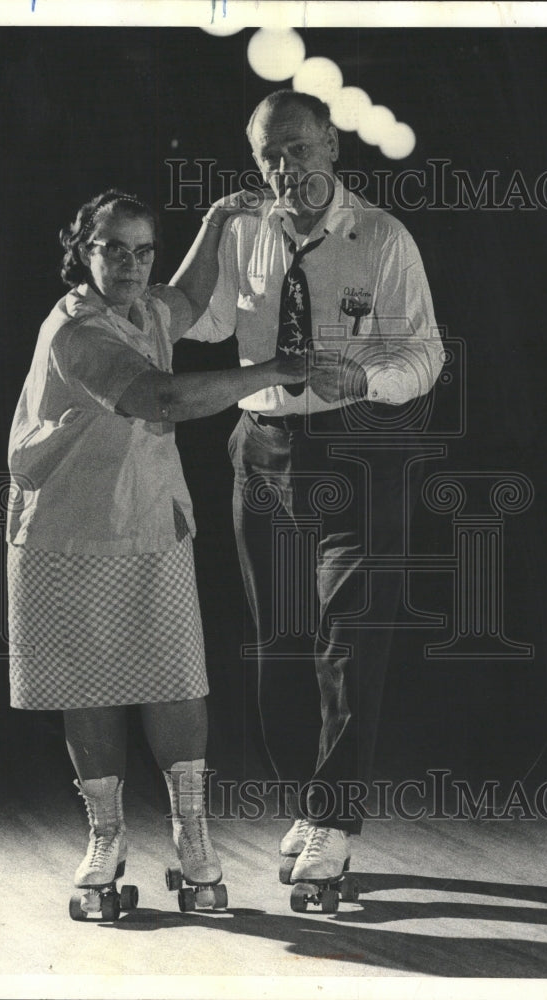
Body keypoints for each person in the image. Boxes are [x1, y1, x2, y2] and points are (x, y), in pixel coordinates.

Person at [6, 188, 306, 915]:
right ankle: (105, 840)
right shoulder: (77, 332)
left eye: (144, 251)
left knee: (177, 682)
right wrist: (271, 372)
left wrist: (218, 219)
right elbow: (163, 398)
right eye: (115, 250)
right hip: (66, 533)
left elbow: (189, 291)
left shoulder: (146, 308)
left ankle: (194, 839)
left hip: (151, 522)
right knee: (90, 690)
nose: (133, 266)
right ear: (82, 250)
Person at [177, 90, 445, 885]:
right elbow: (198, 324)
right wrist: (209, 231)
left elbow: (427, 354)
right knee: (279, 644)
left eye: (297, 148)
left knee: (349, 643)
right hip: (261, 452)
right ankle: (307, 798)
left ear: (330, 143)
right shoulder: (245, 232)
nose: (283, 168)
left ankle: (334, 816)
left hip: (358, 455)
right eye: (268, 154)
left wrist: (366, 378)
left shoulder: (384, 239)